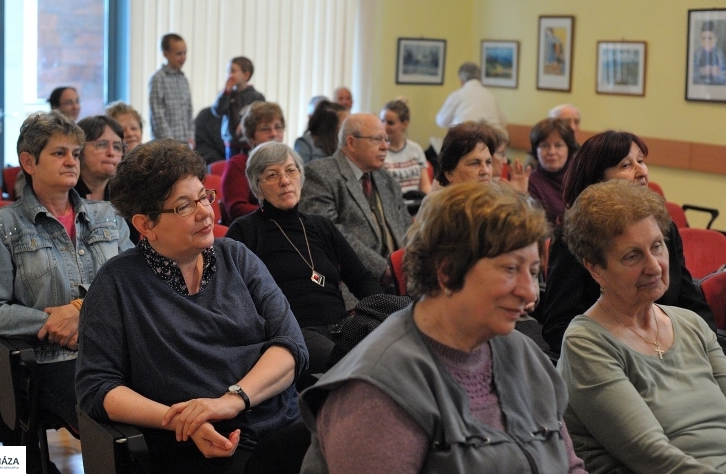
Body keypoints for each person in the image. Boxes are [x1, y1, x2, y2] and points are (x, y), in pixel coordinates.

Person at [298, 182, 586, 473]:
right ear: (447, 272)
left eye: (534, 272)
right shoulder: (377, 391)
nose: (530, 293)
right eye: (510, 269)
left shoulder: (524, 355)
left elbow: (570, 466)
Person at [76, 139, 308, 472]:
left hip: (278, 425)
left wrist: (230, 401)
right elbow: (97, 387)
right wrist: (182, 421)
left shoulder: (236, 257)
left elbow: (291, 345)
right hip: (189, 444)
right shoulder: (117, 283)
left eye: (204, 197)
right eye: (185, 206)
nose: (205, 212)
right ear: (145, 225)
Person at [0, 111, 132, 461]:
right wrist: (46, 323)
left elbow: (136, 285)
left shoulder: (107, 216)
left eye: (75, 153)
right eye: (59, 153)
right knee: (117, 421)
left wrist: (79, 310)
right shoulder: (5, 226)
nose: (71, 161)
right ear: (28, 162)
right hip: (51, 360)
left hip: (118, 352)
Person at [557, 180, 726, 473]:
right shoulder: (586, 343)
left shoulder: (690, 324)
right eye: (632, 256)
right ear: (595, 268)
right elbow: (653, 457)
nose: (655, 266)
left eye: (657, 246)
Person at [538, 130, 715, 353]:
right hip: (612, 355)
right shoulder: (575, 237)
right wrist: (625, 351)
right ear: (598, 180)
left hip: (674, 350)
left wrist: (708, 347)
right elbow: (558, 326)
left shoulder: (664, 228)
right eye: (626, 165)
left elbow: (691, 302)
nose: (641, 171)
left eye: (641, 161)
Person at [226, 141, 384, 375]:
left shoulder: (322, 226)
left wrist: (384, 311)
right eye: (272, 174)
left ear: (301, 176)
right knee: (351, 367)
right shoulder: (245, 231)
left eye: (291, 170)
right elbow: (234, 298)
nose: (285, 180)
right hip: (291, 333)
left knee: (395, 341)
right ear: (257, 188)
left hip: (341, 326)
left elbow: (361, 279)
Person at [300, 113, 412, 287]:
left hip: (401, 281)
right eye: (377, 139)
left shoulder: (386, 179)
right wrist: (384, 269)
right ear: (351, 143)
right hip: (352, 285)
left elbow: (407, 229)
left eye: (386, 139)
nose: (385, 147)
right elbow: (331, 235)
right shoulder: (320, 174)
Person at [221, 102, 285, 222]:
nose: (274, 134)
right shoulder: (239, 164)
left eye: (278, 127)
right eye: (265, 129)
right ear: (251, 137)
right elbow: (236, 209)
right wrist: (277, 213)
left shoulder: (289, 164)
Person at [527, 117, 578, 225]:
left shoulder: (580, 175)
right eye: (544, 145)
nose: (551, 152)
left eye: (558, 145)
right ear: (536, 150)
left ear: (569, 149)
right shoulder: (530, 181)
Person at [213, 56, 265, 159]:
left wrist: (245, 124)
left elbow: (260, 118)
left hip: (250, 143)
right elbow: (217, 111)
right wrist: (225, 92)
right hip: (231, 142)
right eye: (227, 72)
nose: (229, 75)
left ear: (246, 75)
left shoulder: (256, 97)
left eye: (232, 71)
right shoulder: (226, 94)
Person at [148, 33, 194, 145]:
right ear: (166, 54)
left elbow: (189, 109)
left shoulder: (183, 79)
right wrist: (170, 141)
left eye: (185, 53)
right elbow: (158, 114)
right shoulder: (158, 78)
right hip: (165, 144)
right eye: (179, 54)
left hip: (184, 142)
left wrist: (190, 135)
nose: (183, 57)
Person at [435, 62, 506, 130]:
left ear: (461, 80)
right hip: (492, 139)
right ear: (480, 78)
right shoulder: (490, 96)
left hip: (465, 139)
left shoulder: (457, 95)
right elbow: (503, 121)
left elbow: (441, 121)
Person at [382, 99, 431, 195]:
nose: (384, 126)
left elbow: (425, 186)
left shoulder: (415, 149)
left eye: (390, 123)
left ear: (405, 124)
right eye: (382, 121)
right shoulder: (379, 150)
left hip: (415, 204)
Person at [75, 115, 125, 201]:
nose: (111, 153)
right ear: (80, 149)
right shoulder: (65, 193)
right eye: (102, 145)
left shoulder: (124, 194)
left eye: (117, 147)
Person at [693, 20, 726, 85]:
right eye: (703, 38)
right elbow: (690, 75)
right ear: (700, 38)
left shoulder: (720, 55)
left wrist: (718, 72)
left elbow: (724, 75)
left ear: (716, 38)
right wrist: (702, 71)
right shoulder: (696, 55)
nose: (706, 41)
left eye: (710, 38)